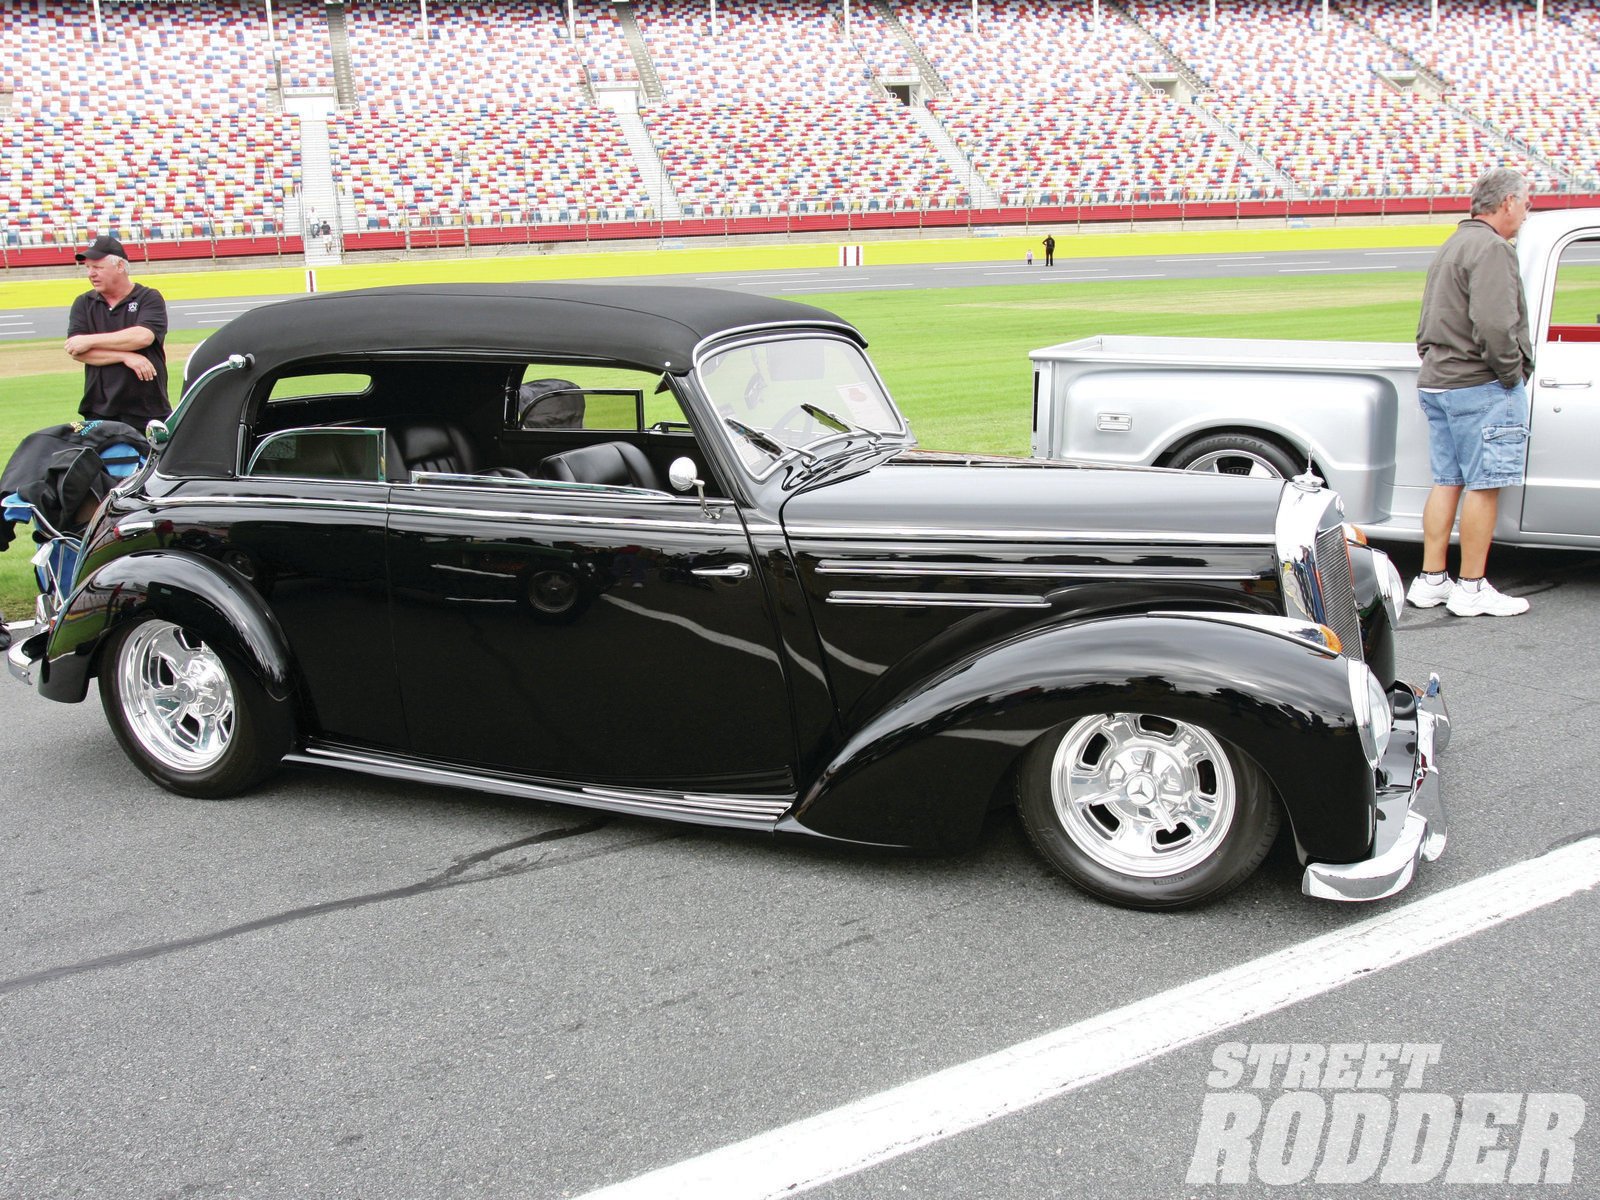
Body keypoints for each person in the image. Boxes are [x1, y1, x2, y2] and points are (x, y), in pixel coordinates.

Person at [1406, 167, 1534, 618]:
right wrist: (1511, 374)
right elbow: (1496, 324)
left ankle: (1431, 579)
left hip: (1439, 378)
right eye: (1525, 202)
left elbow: (1426, 324)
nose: (1526, 212)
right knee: (1485, 484)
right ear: (1506, 203)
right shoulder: (1493, 248)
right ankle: (1472, 585)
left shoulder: (1453, 243)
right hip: (1479, 382)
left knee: (1447, 481)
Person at [64, 234, 170, 427]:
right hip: (98, 410)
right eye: (88, 267)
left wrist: (89, 340)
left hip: (147, 409)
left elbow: (142, 336)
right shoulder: (83, 303)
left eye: (97, 267)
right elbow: (77, 351)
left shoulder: (148, 297)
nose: (91, 273)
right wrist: (126, 357)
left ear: (120, 266)